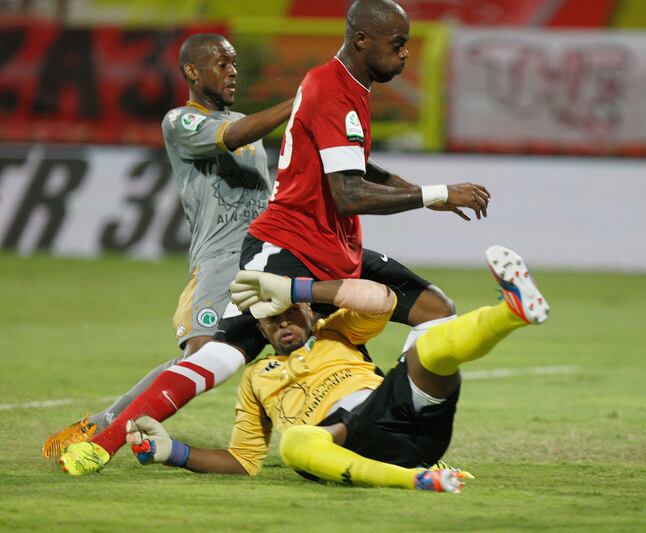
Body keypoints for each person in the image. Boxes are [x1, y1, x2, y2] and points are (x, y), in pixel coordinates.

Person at [56, 0, 491, 473]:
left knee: (437, 311)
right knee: (217, 356)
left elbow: (353, 167)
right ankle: (106, 438)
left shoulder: (347, 90)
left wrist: (426, 193)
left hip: (330, 245)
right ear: (362, 40)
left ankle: (397, 421)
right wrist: (435, 193)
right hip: (281, 248)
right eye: (399, 44)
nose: (406, 55)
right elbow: (346, 193)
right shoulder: (323, 87)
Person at [61, 244, 550, 494]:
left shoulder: (341, 331)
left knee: (433, 346)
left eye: (287, 314)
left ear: (308, 314)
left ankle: (514, 311)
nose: (281, 325)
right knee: (295, 443)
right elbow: (245, 460)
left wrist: (300, 291)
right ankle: (416, 479)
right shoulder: (256, 379)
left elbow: (380, 300)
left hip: (395, 412)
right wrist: (174, 452)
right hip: (345, 439)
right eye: (268, 322)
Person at [41, 33, 294, 458]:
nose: (232, 70)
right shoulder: (182, 120)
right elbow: (230, 135)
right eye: (221, 63)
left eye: (234, 63)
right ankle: (103, 429)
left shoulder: (250, 124)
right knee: (196, 362)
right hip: (218, 266)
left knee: (316, 343)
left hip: (264, 261)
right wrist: (299, 102)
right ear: (192, 72)